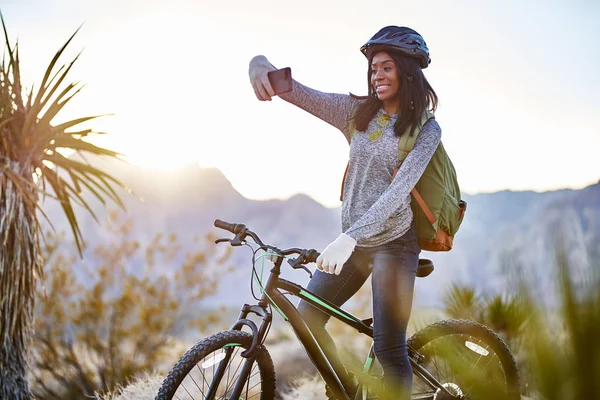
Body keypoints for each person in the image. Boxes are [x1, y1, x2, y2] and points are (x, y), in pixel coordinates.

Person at [248, 26, 441, 399]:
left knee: (388, 348)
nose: (377, 76)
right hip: (353, 242)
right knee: (308, 317)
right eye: (373, 69)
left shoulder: (425, 129)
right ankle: (345, 390)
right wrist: (259, 66)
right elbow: (300, 93)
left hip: (394, 244)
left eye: (387, 67)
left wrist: (348, 238)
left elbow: (397, 193)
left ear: (408, 71)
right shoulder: (356, 113)